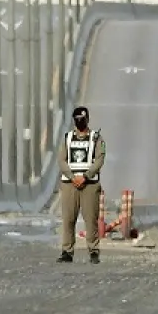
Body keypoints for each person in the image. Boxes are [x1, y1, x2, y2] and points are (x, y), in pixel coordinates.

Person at [57, 105, 106, 264]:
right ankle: (67, 251)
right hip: (70, 184)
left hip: (89, 184)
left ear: (88, 119)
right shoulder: (67, 138)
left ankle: (93, 251)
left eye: (82, 119)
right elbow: (62, 160)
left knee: (91, 218)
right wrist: (72, 177)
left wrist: (86, 176)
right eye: (77, 120)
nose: (80, 122)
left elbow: (99, 159)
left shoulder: (96, 138)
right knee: (68, 219)